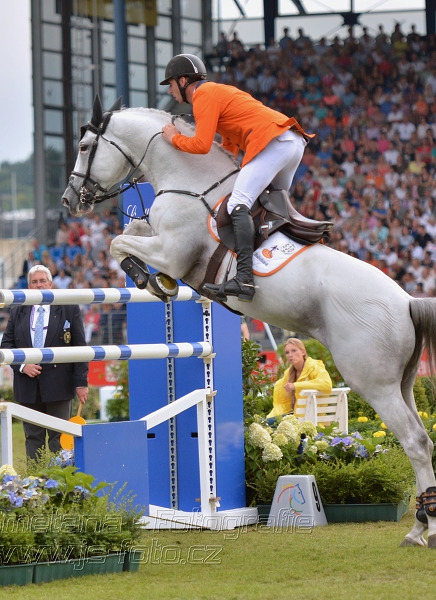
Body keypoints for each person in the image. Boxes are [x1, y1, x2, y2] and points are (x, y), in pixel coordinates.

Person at [159, 54, 311, 302]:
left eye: (171, 84)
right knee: (267, 202)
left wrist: (174, 138)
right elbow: (229, 145)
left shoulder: (203, 96)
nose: (171, 91)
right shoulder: (218, 91)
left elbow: (201, 145)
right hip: (291, 141)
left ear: (184, 80)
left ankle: (244, 280)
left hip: (273, 142)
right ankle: (282, 254)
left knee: (237, 203)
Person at [0, 265, 89, 461]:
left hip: (60, 383)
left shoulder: (68, 307)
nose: (39, 285)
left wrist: (81, 383)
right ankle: (36, 483)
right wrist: (23, 365)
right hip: (28, 385)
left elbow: (80, 346)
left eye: (42, 281)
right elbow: (7, 345)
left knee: (60, 439)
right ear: (29, 285)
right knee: (33, 439)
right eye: (34, 282)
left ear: (50, 283)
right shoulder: (17, 310)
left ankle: (63, 483)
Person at [266, 338, 332, 423]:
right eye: (287, 352)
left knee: (266, 424)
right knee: (264, 423)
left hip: (311, 420)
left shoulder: (314, 367)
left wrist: (296, 386)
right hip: (295, 417)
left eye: (294, 351)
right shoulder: (289, 374)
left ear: (303, 352)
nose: (290, 355)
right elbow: (282, 403)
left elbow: (327, 384)